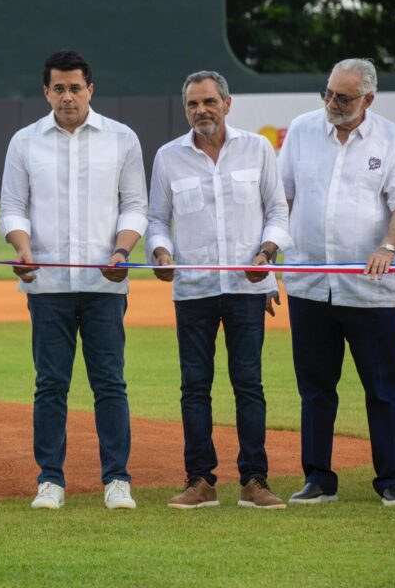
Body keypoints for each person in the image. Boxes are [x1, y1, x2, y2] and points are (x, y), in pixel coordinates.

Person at [0, 50, 147, 510]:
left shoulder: (121, 139)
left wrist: (122, 251)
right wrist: (20, 247)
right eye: (58, 88)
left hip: (105, 283)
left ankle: (116, 479)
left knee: (110, 383)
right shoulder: (24, 141)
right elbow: (12, 207)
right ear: (46, 92)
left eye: (75, 88)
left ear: (90, 89)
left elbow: (134, 206)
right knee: (50, 384)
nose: (67, 96)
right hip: (46, 285)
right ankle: (50, 480)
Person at [148, 71, 290, 510]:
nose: (201, 111)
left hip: (249, 288)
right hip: (193, 289)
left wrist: (266, 254)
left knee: (248, 384)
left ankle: (254, 481)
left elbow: (277, 211)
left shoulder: (259, 148)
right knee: (195, 387)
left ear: (228, 103)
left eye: (209, 101)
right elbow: (157, 220)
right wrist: (160, 252)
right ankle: (200, 481)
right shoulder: (169, 156)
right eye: (192, 104)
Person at [279, 58, 395, 507]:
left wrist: (387, 248)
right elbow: (282, 197)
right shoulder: (302, 129)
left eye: (344, 98)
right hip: (310, 283)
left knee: (382, 386)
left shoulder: (392, 139)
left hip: (370, 288)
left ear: (368, 99)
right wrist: (272, 251)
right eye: (328, 93)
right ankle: (318, 478)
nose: (332, 103)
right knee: (315, 388)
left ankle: (393, 478)